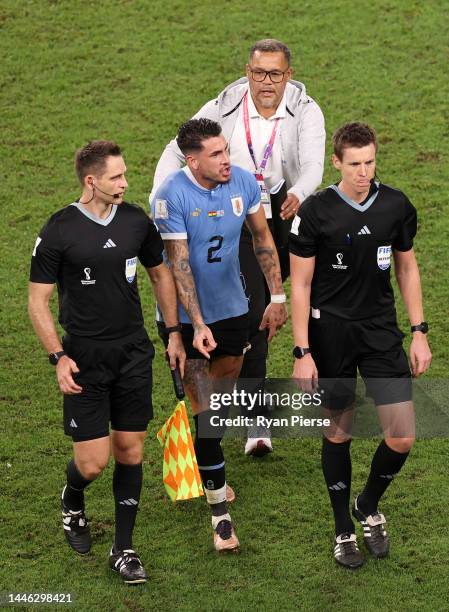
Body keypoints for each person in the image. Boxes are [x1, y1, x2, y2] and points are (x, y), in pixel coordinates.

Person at [150, 38, 325, 456]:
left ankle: (246, 412)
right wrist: (162, 198)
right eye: (260, 72)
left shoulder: (305, 109)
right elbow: (178, 149)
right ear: (248, 72)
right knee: (252, 311)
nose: (267, 82)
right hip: (235, 216)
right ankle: (252, 417)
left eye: (276, 73)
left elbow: (314, 162)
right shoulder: (224, 105)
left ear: (289, 74)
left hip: (282, 214)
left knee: (270, 309)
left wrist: (299, 192)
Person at [28, 140, 185, 584]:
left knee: (130, 450)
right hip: (84, 360)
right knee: (94, 461)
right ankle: (73, 497)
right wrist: (58, 357)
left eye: (125, 175)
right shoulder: (58, 230)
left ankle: (124, 548)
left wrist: (173, 333)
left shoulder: (136, 221)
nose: (125, 183)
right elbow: (38, 302)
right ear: (91, 181)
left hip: (133, 353)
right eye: (116, 177)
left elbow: (160, 275)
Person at [289, 122, 432, 569]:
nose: (363, 172)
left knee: (403, 435)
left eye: (370, 162)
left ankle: (367, 505)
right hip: (328, 334)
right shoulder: (314, 212)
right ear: (337, 163)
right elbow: (301, 284)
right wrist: (301, 351)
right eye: (355, 164)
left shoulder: (395, 205)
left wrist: (419, 330)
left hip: (379, 331)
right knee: (339, 430)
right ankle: (342, 530)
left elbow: (407, 269)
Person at [151, 118, 287, 551]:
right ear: (192, 161)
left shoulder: (244, 183)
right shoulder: (170, 196)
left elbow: (263, 239)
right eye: (216, 154)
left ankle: (207, 466)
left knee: (218, 405)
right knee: (205, 409)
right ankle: (220, 516)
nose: (226, 159)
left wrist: (278, 295)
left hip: (234, 312)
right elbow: (179, 264)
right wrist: (195, 323)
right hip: (188, 320)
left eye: (226, 150)